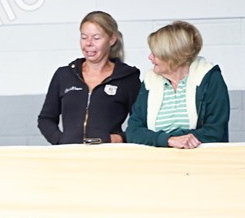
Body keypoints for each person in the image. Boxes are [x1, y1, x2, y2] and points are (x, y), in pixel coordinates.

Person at [37, 11, 142, 144]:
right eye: (84, 37)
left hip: (109, 158)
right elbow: (45, 119)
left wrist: (119, 138)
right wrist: (61, 141)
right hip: (71, 158)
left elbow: (141, 123)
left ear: (112, 40)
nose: (88, 43)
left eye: (96, 38)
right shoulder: (64, 75)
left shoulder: (128, 78)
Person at [126, 20, 230, 148]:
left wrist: (179, 140)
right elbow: (133, 131)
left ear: (173, 56)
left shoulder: (210, 78)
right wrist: (168, 140)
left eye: (155, 54)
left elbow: (215, 131)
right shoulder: (150, 81)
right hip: (157, 161)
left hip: (201, 160)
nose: (150, 57)